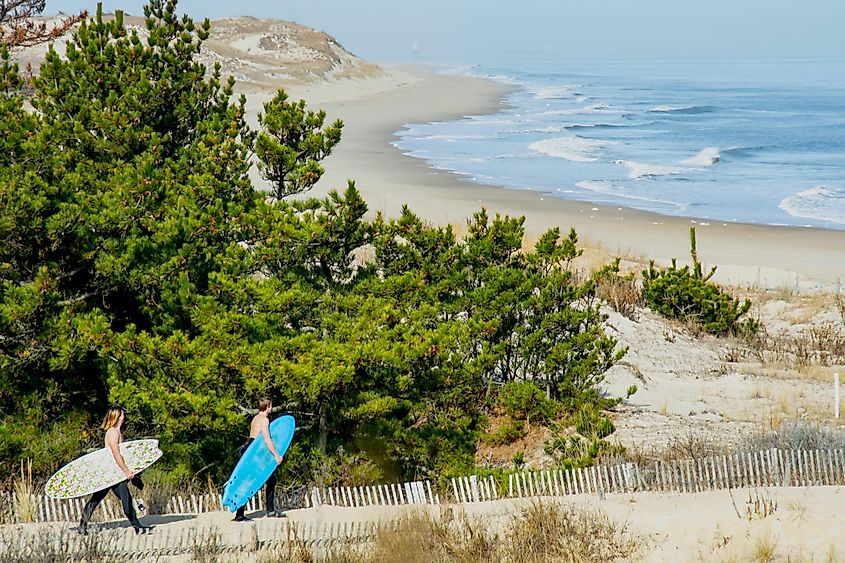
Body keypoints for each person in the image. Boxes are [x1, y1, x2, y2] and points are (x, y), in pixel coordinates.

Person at [78, 405, 153, 535]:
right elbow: (116, 454)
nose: (124, 416)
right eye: (123, 414)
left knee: (120, 499)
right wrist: (126, 472)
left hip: (114, 473)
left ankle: (137, 526)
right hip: (112, 474)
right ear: (118, 416)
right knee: (110, 499)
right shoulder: (112, 432)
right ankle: (137, 527)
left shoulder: (117, 432)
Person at [233, 397, 285, 521]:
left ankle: (239, 514)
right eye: (271, 405)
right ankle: (270, 511)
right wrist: (276, 455)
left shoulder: (255, 418)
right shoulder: (264, 420)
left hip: (249, 449)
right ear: (268, 406)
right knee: (271, 480)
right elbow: (267, 439)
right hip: (256, 452)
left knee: (247, 481)